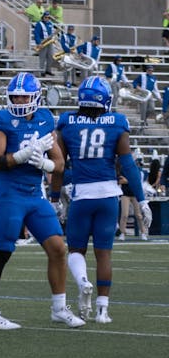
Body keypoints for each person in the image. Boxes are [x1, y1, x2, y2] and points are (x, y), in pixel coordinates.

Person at [0, 72, 85, 330]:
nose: (18, 99)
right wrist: (23, 155)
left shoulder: (45, 118)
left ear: (35, 96)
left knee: (58, 248)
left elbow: (59, 163)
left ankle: (59, 308)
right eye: (15, 95)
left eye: (24, 95)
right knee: (1, 252)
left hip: (35, 194)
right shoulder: (0, 118)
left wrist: (46, 162)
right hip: (10, 193)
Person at [54, 76, 152, 324]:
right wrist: (141, 200)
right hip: (109, 195)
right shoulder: (117, 122)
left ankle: (83, 281)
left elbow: (59, 165)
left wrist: (55, 197)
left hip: (82, 194)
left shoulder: (67, 122)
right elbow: (128, 165)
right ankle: (102, 311)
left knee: (76, 249)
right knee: (104, 254)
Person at [132, 64, 159, 128]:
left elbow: (155, 89)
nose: (150, 72)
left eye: (151, 71)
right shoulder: (142, 75)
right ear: (146, 70)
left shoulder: (154, 78)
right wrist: (138, 87)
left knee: (152, 108)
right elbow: (134, 82)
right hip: (143, 93)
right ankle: (142, 123)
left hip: (150, 94)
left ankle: (144, 120)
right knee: (143, 110)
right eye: (149, 70)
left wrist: (159, 97)